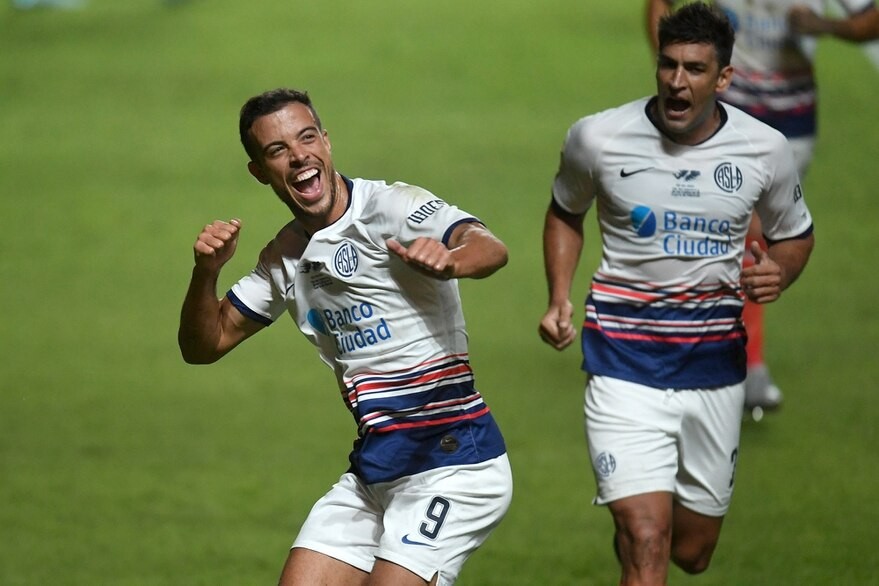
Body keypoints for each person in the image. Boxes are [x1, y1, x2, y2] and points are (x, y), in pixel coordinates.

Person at [178, 88, 512, 586]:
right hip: (375, 472)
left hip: (455, 463)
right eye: (277, 150)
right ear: (260, 171)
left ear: (326, 141)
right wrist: (206, 273)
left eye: (306, 138)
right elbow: (205, 346)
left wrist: (452, 260)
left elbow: (488, 246)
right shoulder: (283, 258)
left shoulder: (391, 207)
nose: (298, 157)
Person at [538, 3, 814, 584]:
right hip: (621, 364)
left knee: (691, 551)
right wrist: (559, 295)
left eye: (694, 69)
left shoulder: (764, 150)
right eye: (668, 65)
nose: (676, 81)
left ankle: (641, 528)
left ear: (724, 78)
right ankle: (638, 527)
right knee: (647, 538)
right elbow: (565, 211)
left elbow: (795, 234)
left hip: (713, 368)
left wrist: (781, 271)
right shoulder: (599, 138)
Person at [646, 0, 879, 417]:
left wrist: (823, 25)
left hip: (791, 120)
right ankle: (742, 363)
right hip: (727, 111)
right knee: (736, 232)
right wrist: (676, 75)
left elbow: (871, 18)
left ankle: (709, 351)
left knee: (746, 237)